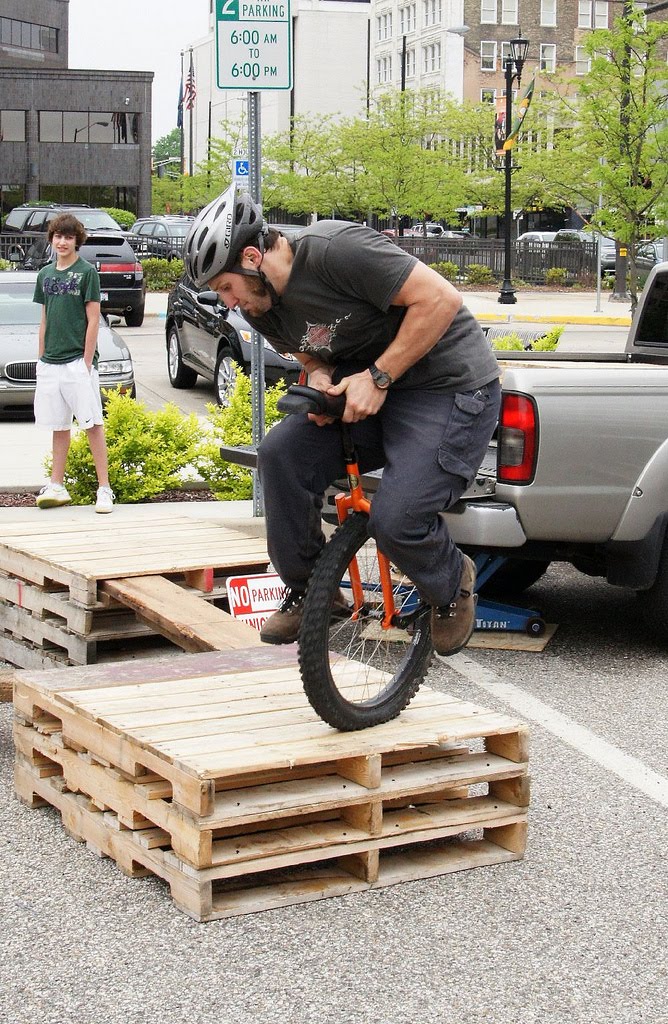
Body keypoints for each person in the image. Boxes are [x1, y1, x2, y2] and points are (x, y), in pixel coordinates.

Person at [184, 185, 501, 655]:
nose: (229, 303)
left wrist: (378, 377)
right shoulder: (262, 305)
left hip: (447, 386)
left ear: (252, 257)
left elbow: (440, 300)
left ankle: (453, 582)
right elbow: (310, 355)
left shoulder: (337, 251)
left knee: (396, 520)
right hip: (372, 391)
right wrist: (323, 379)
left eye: (225, 287)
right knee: (281, 454)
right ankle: (313, 586)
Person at [32, 213, 114, 513]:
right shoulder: (45, 276)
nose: (62, 242)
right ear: (52, 239)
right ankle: (57, 485)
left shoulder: (86, 272)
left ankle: (104, 488)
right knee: (59, 425)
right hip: (50, 364)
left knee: (92, 423)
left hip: (77, 363)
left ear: (76, 240)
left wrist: (86, 362)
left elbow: (94, 319)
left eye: (68, 237)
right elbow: (44, 318)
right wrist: (41, 358)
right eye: (57, 236)